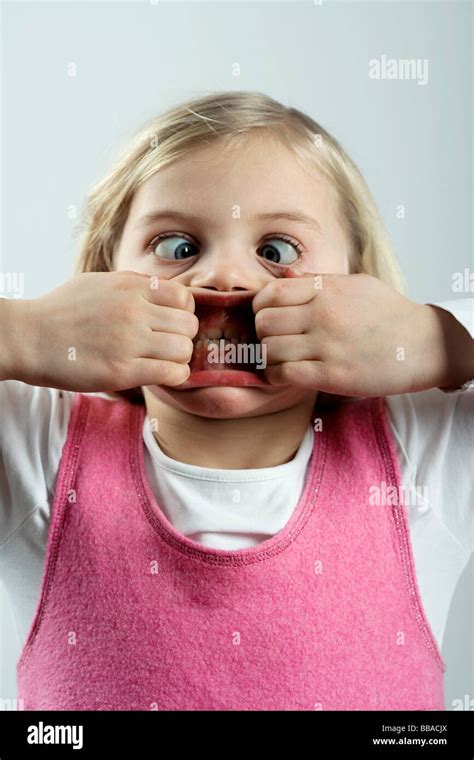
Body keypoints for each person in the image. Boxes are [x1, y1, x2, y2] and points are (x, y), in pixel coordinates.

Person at [1, 91, 472, 710]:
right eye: (176, 248)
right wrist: (25, 332)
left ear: (360, 292)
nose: (223, 277)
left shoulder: (423, 454)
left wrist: (434, 337)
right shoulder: (40, 450)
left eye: (276, 251)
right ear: (103, 279)